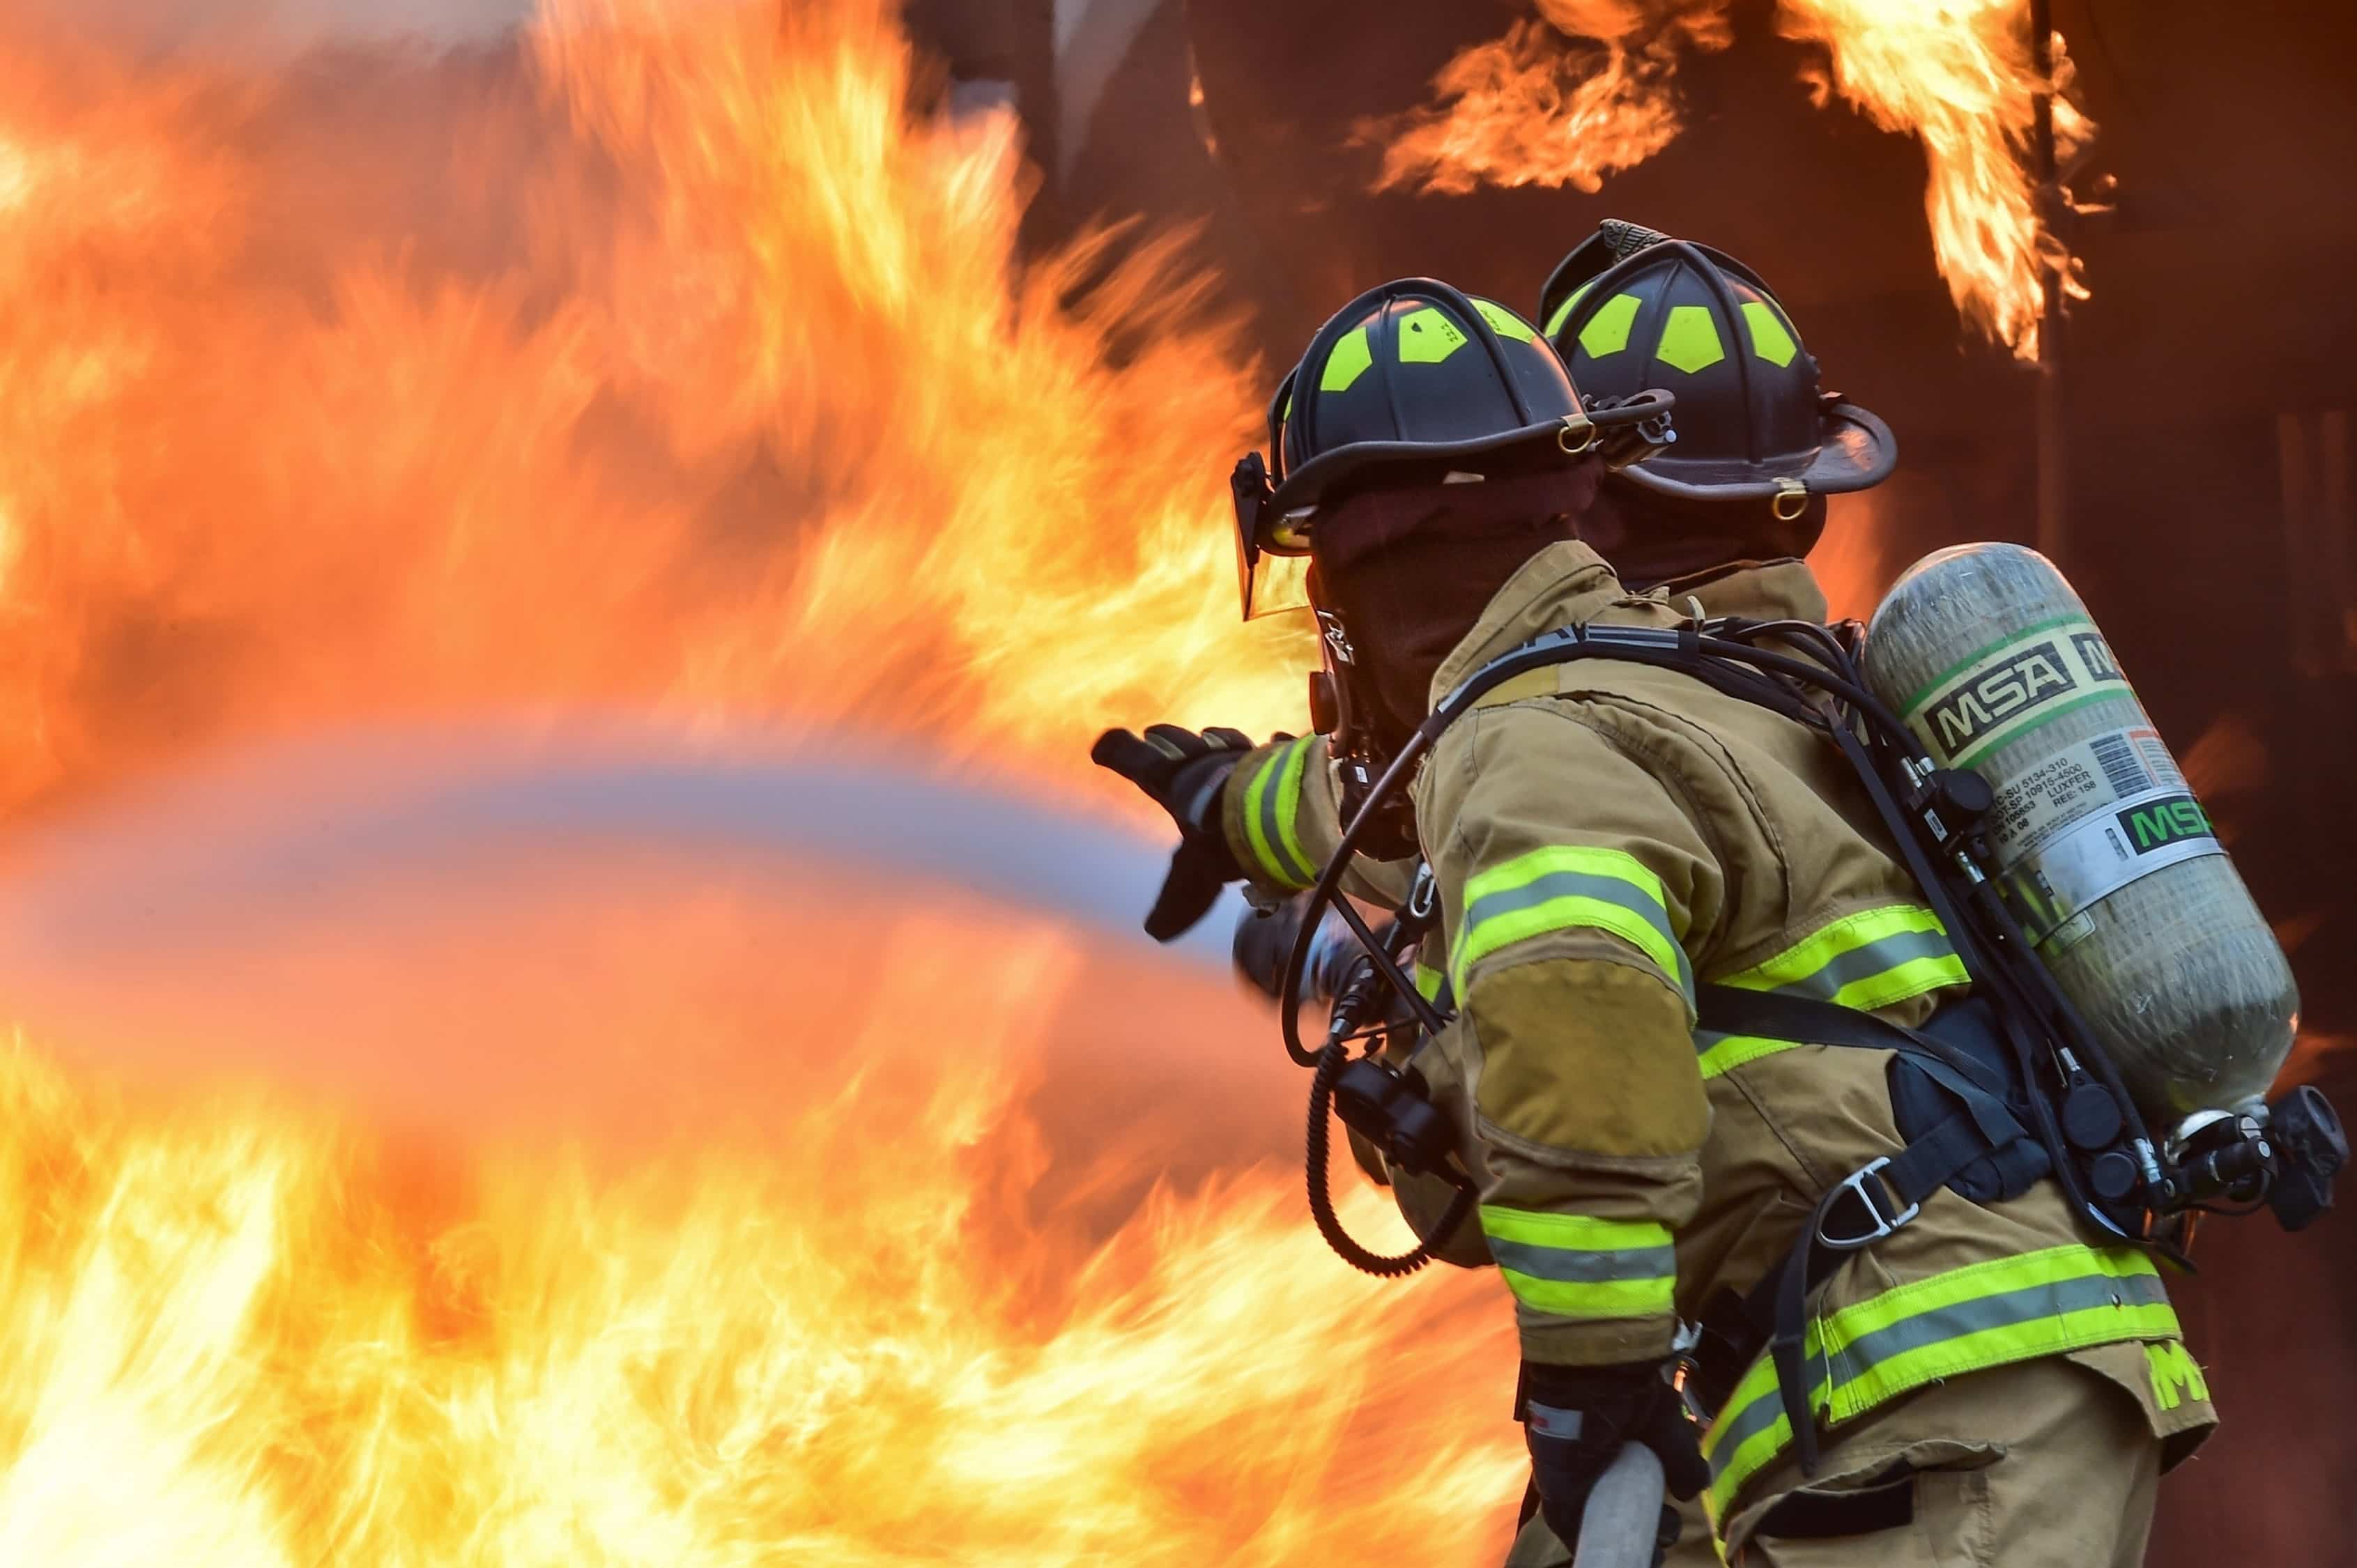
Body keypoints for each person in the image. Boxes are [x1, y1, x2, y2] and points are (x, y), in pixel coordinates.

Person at [1093, 233, 2215, 1567]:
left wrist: (1588, 1379)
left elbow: (1575, 1031)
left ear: (1348, 578)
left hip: (1924, 1387)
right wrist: (1235, 811)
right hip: (1939, 1372)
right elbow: (1390, 808)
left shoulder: (1534, 740)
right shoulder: (1675, 687)